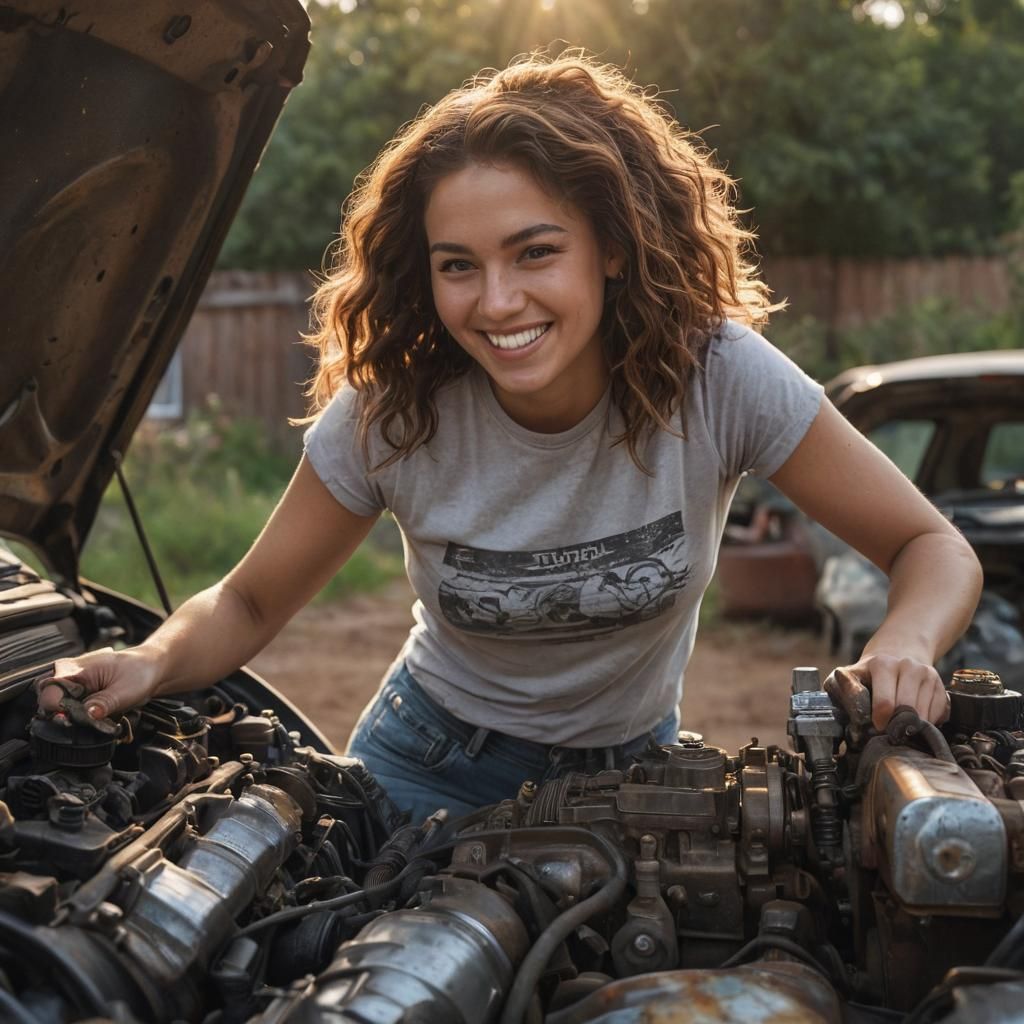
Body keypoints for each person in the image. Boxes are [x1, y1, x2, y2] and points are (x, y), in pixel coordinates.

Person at [38, 52, 982, 824]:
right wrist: (154, 660)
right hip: (425, 768)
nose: (497, 303)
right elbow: (246, 604)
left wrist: (903, 643)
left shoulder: (715, 376)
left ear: (611, 247)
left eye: (536, 252)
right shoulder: (391, 411)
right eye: (460, 266)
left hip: (637, 778)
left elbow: (930, 546)